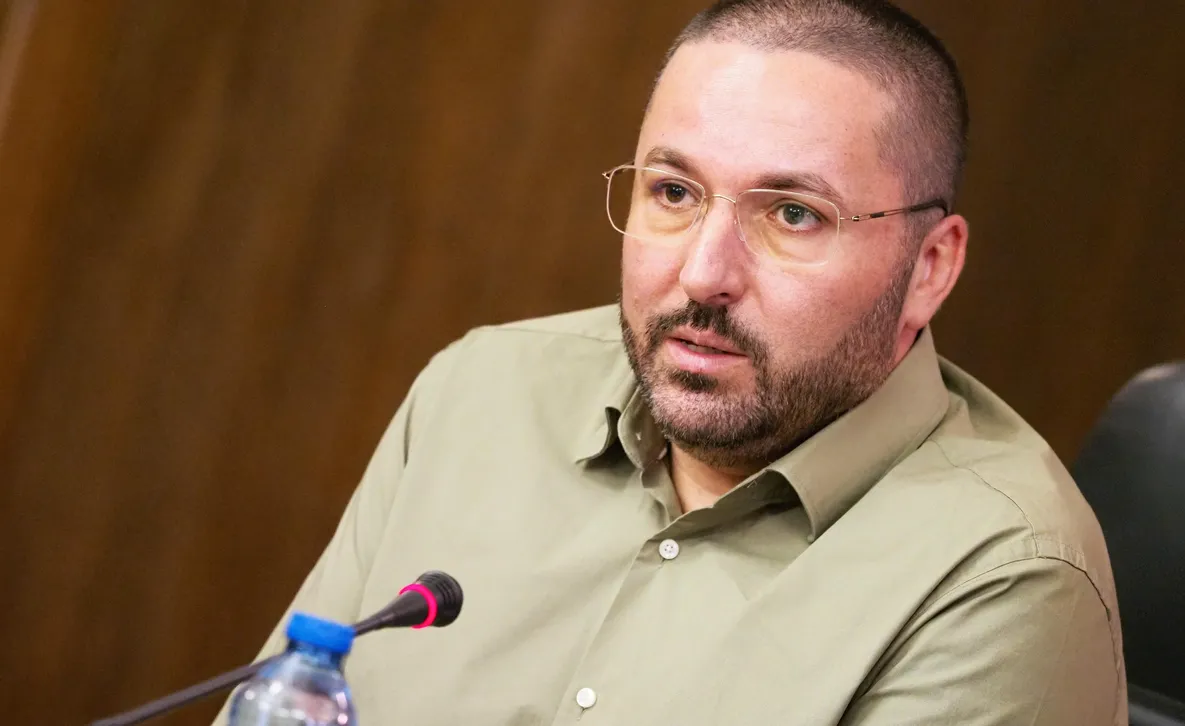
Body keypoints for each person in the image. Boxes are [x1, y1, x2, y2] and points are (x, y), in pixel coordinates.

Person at [218, 0, 1126, 723]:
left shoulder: (1005, 573)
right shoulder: (481, 392)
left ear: (928, 268)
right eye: (674, 192)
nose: (703, 273)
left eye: (793, 214)